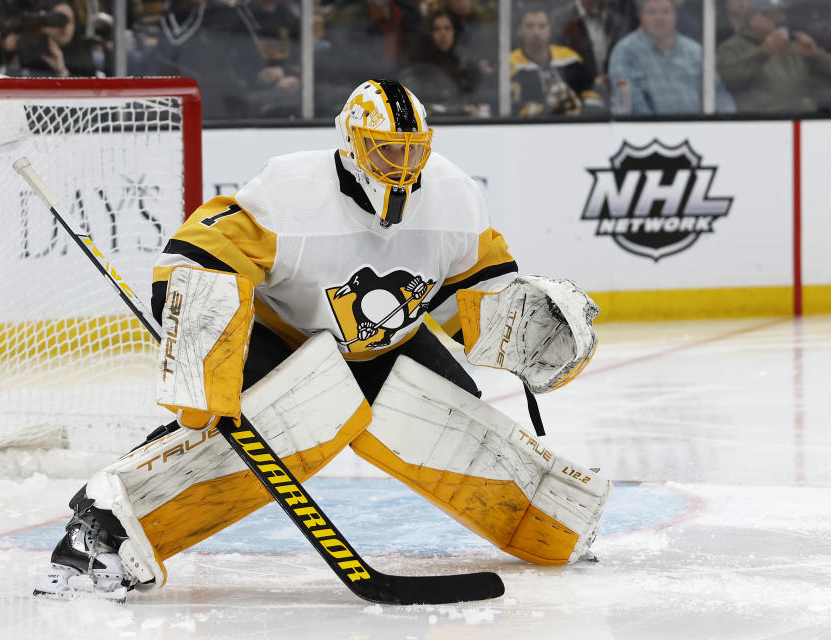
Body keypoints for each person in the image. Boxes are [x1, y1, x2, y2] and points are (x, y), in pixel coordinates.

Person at [32, 79, 611, 601]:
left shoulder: (454, 197)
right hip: (284, 337)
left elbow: (476, 285)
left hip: (388, 342)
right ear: (353, 144)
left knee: (452, 416)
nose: (402, 164)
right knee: (273, 424)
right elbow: (201, 253)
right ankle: (100, 529)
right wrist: (204, 352)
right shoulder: (291, 192)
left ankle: (547, 522)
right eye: (388, 149)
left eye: (414, 151)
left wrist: (520, 328)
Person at [608, 0, 736, 114]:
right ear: (641, 17)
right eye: (651, 12)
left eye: (665, 12)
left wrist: (728, 124)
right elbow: (628, 103)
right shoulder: (625, 52)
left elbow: (718, 95)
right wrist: (656, 128)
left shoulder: (695, 51)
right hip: (643, 135)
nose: (659, 18)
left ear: (675, 16)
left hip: (698, 132)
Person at [717, 0, 831, 112]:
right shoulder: (731, 47)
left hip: (804, 122)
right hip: (759, 124)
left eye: (782, 14)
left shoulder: (793, 46)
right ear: (753, 18)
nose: (780, 19)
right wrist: (763, 52)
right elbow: (728, 79)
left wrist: (815, 56)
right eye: (772, 15)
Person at [510, 5, 604, 117]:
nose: (536, 32)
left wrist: (586, 112)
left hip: (576, 124)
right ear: (520, 31)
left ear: (549, 30)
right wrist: (556, 114)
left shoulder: (569, 57)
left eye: (542, 26)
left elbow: (590, 91)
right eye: (529, 26)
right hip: (534, 127)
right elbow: (514, 105)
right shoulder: (511, 63)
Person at [550, 0, 638, 109]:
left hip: (615, 94)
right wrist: (591, 82)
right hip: (576, 97)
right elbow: (560, 63)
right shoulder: (560, 20)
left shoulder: (617, 18)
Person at [399, 10, 486, 116]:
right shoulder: (415, 67)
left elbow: (476, 101)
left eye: (447, 28)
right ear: (429, 33)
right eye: (437, 29)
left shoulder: (467, 67)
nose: (443, 33)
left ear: (455, 32)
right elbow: (411, 103)